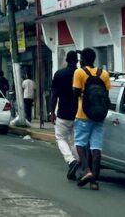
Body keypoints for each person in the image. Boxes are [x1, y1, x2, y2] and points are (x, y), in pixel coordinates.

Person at [72, 47, 111, 190]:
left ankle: (86, 170)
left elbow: (75, 92)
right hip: (99, 115)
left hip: (83, 114)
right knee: (96, 148)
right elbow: (106, 93)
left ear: (83, 59)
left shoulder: (79, 72)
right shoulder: (104, 74)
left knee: (80, 144)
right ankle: (94, 181)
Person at [49, 51, 80, 180]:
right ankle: (76, 163)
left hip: (63, 113)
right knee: (76, 141)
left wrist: (51, 111)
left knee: (60, 138)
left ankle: (71, 161)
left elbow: (54, 95)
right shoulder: (82, 74)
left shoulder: (59, 74)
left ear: (66, 60)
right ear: (77, 61)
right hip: (79, 113)